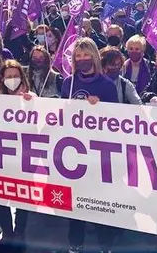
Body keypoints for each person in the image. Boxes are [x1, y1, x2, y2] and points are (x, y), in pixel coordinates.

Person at [60, 37, 119, 253]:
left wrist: (100, 108)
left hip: (99, 154)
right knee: (75, 204)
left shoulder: (107, 85)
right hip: (74, 154)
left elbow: (117, 120)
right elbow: (61, 114)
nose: (82, 59)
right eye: (78, 56)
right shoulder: (68, 83)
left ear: (94, 56)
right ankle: (75, 244)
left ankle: (106, 246)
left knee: (101, 204)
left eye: (86, 55)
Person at [0, 60, 35, 249]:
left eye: (15, 76)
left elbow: (38, 127)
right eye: (8, 76)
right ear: (2, 78)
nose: (12, 79)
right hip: (1, 156)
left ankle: (20, 236)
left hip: (24, 158)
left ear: (22, 77)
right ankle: (8, 236)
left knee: (22, 199)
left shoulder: (30, 97)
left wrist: (29, 105)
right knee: (0, 196)